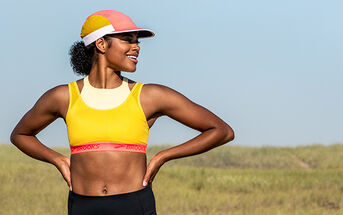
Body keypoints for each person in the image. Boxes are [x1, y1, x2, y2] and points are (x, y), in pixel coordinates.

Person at [10, 9, 234, 215]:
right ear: (101, 44)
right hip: (81, 205)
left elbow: (221, 131)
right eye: (127, 40)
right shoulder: (63, 97)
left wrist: (162, 156)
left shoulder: (150, 96)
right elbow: (21, 134)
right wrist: (57, 160)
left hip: (135, 204)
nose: (136, 47)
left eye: (137, 41)